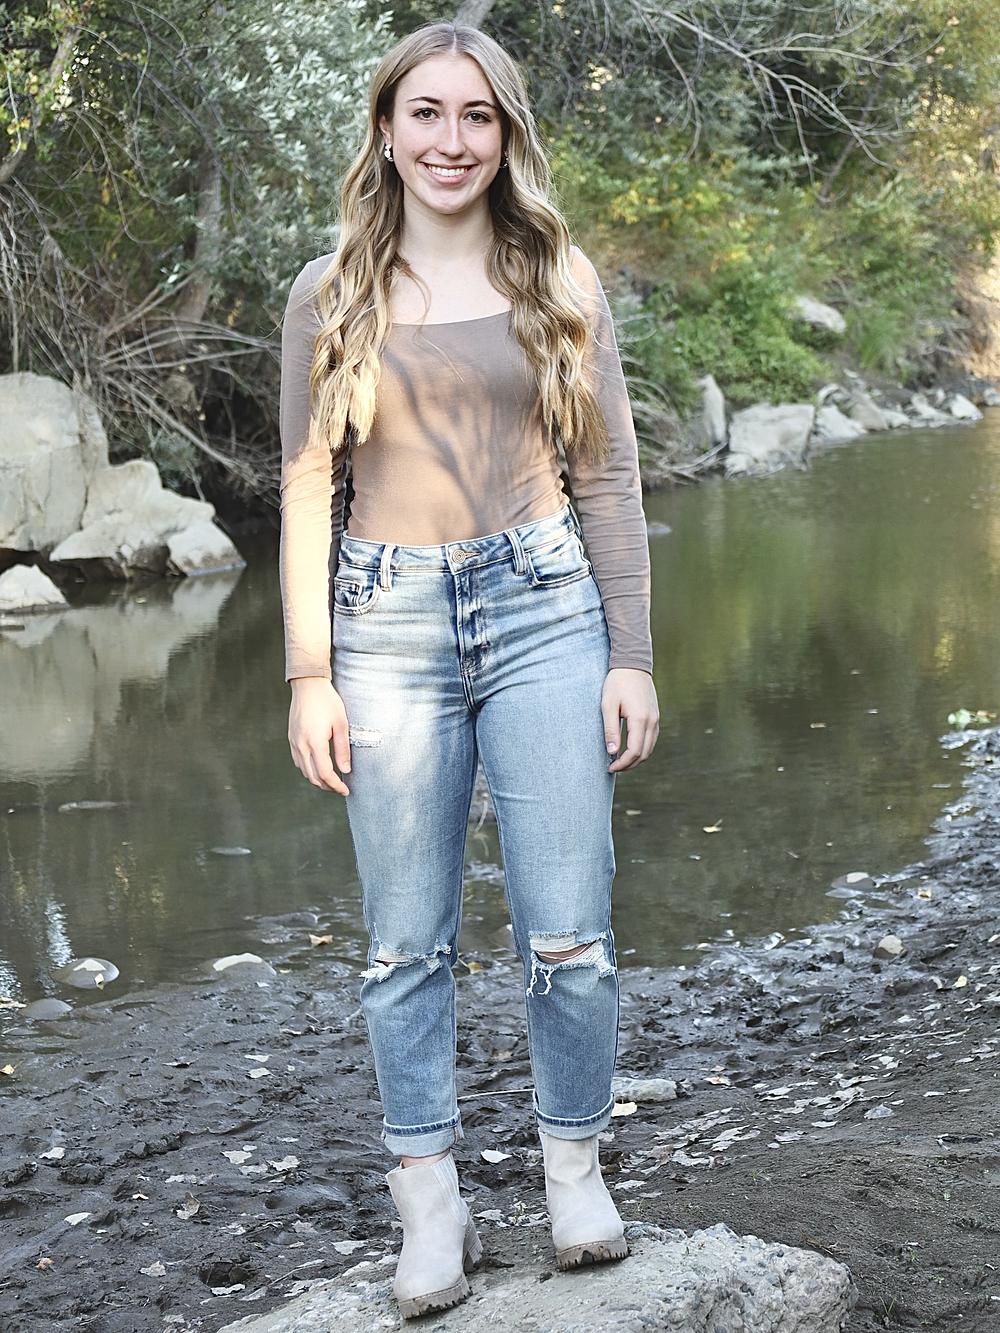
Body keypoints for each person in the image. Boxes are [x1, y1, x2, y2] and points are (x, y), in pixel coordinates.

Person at [278, 19, 659, 1320]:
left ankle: (573, 1177)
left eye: (477, 115)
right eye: (427, 114)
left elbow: (608, 471)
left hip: (546, 607)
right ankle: (430, 1205)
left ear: (506, 135)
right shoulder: (329, 291)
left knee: (570, 929)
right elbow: (307, 485)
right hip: (384, 625)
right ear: (386, 132)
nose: (452, 141)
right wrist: (309, 673)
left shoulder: (558, 274)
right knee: (404, 946)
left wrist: (631, 654)